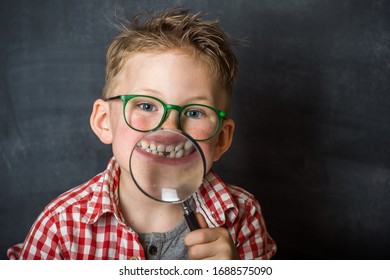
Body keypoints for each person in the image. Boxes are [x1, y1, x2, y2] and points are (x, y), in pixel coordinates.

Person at [8, 7, 276, 260]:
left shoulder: (241, 216)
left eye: (195, 112)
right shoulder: (61, 226)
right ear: (104, 121)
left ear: (222, 139)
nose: (170, 128)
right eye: (146, 105)